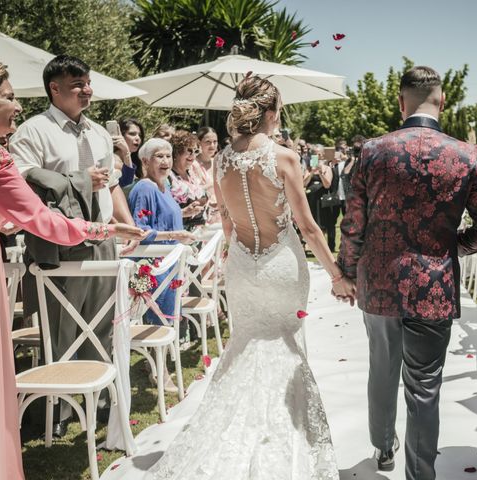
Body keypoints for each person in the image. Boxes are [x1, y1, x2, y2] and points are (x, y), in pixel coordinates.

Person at [146, 75, 355, 479]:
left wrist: (238, 252)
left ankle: (237, 437)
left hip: (241, 265)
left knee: (244, 348)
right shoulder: (283, 157)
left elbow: (225, 222)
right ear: (272, 113)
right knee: (286, 346)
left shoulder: (221, 160)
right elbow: (309, 228)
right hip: (281, 265)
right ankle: (281, 444)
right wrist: (337, 275)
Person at [337, 66, 477, 480]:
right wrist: (452, 247)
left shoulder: (373, 151)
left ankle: (383, 450)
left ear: (400, 101)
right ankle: (421, 474)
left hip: (378, 284)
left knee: (382, 368)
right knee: (425, 388)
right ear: (442, 100)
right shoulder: (465, 155)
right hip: (434, 286)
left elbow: (353, 223)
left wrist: (345, 271)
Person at [0, 61, 144, 480]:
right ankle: (57, 409)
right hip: (54, 248)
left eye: (89, 84)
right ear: (54, 88)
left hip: (101, 239)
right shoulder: (31, 132)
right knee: (59, 327)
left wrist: (125, 224)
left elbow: (113, 183)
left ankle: (96, 400)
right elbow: (25, 184)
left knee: (100, 322)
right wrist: (79, 178)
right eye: (78, 85)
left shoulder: (99, 133)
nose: (87, 91)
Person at [128, 138, 196, 326]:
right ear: (145, 161)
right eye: (159, 156)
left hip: (170, 264)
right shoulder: (145, 187)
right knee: (160, 323)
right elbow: (140, 230)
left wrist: (184, 213)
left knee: (171, 321)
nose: (165, 161)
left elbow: (161, 219)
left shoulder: (163, 186)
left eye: (168, 156)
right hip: (156, 266)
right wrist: (176, 236)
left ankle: (169, 354)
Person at [169, 130, 208, 230]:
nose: (193, 155)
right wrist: (182, 213)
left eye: (196, 151)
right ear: (177, 152)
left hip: (199, 233)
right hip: (179, 233)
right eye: (189, 151)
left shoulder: (192, 174)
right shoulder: (168, 177)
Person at [115, 118, 145, 185]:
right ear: (121, 136)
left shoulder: (137, 160)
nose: (138, 138)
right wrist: (126, 152)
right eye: (132, 134)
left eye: (140, 135)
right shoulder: (115, 162)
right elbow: (127, 183)